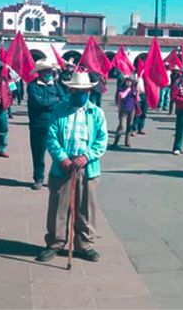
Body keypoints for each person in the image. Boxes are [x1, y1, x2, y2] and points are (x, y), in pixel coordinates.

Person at [36, 71, 108, 263]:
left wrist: (86, 157)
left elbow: (101, 141)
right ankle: (55, 243)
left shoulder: (97, 113)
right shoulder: (59, 110)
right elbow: (51, 137)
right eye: (76, 90)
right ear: (70, 89)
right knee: (58, 208)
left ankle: (85, 245)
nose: (80, 94)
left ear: (89, 91)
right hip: (63, 166)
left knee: (85, 208)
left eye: (84, 91)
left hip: (87, 167)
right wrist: (62, 159)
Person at [27, 59, 66, 190]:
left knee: (58, 152)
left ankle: (56, 176)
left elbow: (65, 99)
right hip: (38, 125)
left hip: (56, 124)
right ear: (40, 72)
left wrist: (51, 101)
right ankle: (38, 178)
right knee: (38, 154)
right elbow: (39, 103)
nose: (49, 73)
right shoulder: (32, 86)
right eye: (47, 71)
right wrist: (56, 100)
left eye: (50, 71)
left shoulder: (55, 85)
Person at [112, 76, 138, 148]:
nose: (129, 83)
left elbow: (137, 99)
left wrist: (137, 91)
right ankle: (116, 141)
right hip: (123, 110)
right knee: (121, 126)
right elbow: (122, 96)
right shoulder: (121, 88)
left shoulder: (134, 89)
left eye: (130, 81)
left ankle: (127, 141)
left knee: (129, 126)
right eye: (127, 81)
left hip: (131, 110)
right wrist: (128, 90)